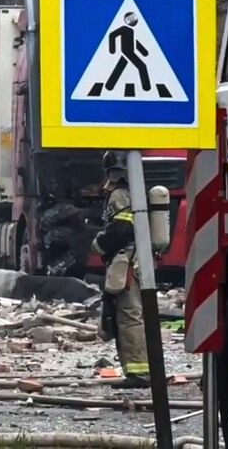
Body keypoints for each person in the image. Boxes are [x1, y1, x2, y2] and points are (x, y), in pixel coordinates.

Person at [91, 150, 149, 388]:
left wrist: (97, 245)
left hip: (126, 261)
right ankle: (137, 370)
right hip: (135, 260)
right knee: (130, 316)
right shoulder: (134, 192)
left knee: (128, 317)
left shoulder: (120, 195)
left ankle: (139, 373)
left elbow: (121, 230)